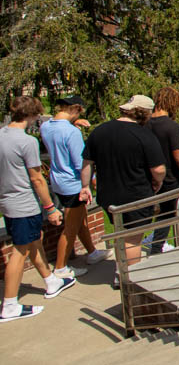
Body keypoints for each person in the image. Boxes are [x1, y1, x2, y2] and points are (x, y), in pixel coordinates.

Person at [1, 96, 72, 322]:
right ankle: (10, 305)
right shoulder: (27, 142)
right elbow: (37, 178)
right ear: (31, 116)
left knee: (35, 239)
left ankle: (50, 280)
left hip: (7, 201)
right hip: (24, 203)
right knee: (20, 251)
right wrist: (50, 207)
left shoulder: (1, 135)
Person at [81, 94, 166, 275]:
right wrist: (158, 182)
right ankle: (130, 278)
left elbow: (87, 162)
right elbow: (158, 170)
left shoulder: (99, 131)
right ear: (144, 113)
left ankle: (121, 273)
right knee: (132, 239)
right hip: (136, 195)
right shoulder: (144, 135)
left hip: (107, 194)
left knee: (120, 235)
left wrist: (85, 186)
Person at [41, 96, 106, 275]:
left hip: (57, 181)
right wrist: (92, 182)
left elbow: (58, 131)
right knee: (70, 228)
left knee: (80, 220)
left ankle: (92, 252)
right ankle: (60, 268)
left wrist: (74, 121)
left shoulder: (45, 126)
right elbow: (81, 163)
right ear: (76, 108)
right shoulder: (72, 133)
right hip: (73, 183)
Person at [147, 87, 179, 254]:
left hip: (155, 178)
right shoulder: (171, 127)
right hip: (174, 177)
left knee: (165, 214)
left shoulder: (145, 124)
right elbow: (178, 155)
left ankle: (155, 247)